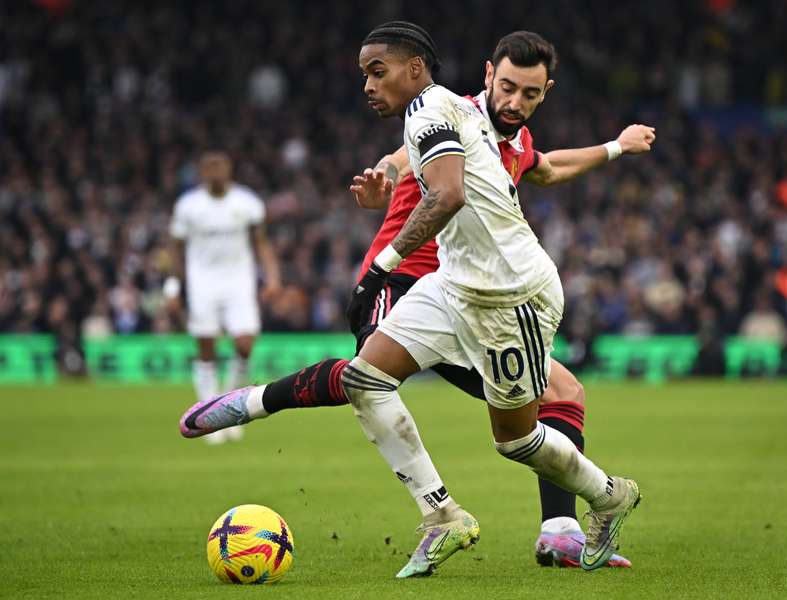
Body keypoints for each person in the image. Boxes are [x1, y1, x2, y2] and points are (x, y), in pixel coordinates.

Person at [181, 23, 643, 577]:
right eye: (509, 88)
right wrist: (385, 184)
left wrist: (617, 147)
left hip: (507, 295)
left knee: (519, 437)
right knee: (366, 377)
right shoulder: (446, 108)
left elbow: (514, 174)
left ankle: (602, 501)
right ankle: (442, 515)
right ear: (488, 76)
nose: (368, 86)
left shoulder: (493, 131)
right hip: (435, 279)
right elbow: (415, 162)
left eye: (532, 94)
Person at [167, 150, 281, 444]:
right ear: (202, 172)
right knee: (206, 347)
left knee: (245, 343)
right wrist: (172, 286)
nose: (215, 172)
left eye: (220, 166)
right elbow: (175, 250)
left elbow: (262, 243)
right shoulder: (188, 206)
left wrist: (272, 277)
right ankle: (206, 417)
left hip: (238, 283)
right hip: (202, 283)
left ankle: (227, 407)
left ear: (229, 169)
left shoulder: (247, 202)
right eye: (209, 167)